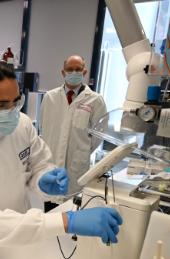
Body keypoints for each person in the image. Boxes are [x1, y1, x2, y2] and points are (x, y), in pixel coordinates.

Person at [0, 61, 122, 259]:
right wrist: (66, 222)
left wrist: (43, 178)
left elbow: (38, 164)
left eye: (16, 101)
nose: (12, 111)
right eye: (1, 105)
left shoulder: (22, 125)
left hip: (20, 237)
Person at [40, 55, 107, 211]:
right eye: (70, 69)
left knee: (71, 212)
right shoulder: (50, 97)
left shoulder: (95, 100)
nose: (74, 72)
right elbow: (43, 127)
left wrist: (81, 151)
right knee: (50, 210)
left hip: (76, 166)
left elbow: (99, 135)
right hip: (52, 161)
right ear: (63, 73)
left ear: (84, 72)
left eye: (78, 69)